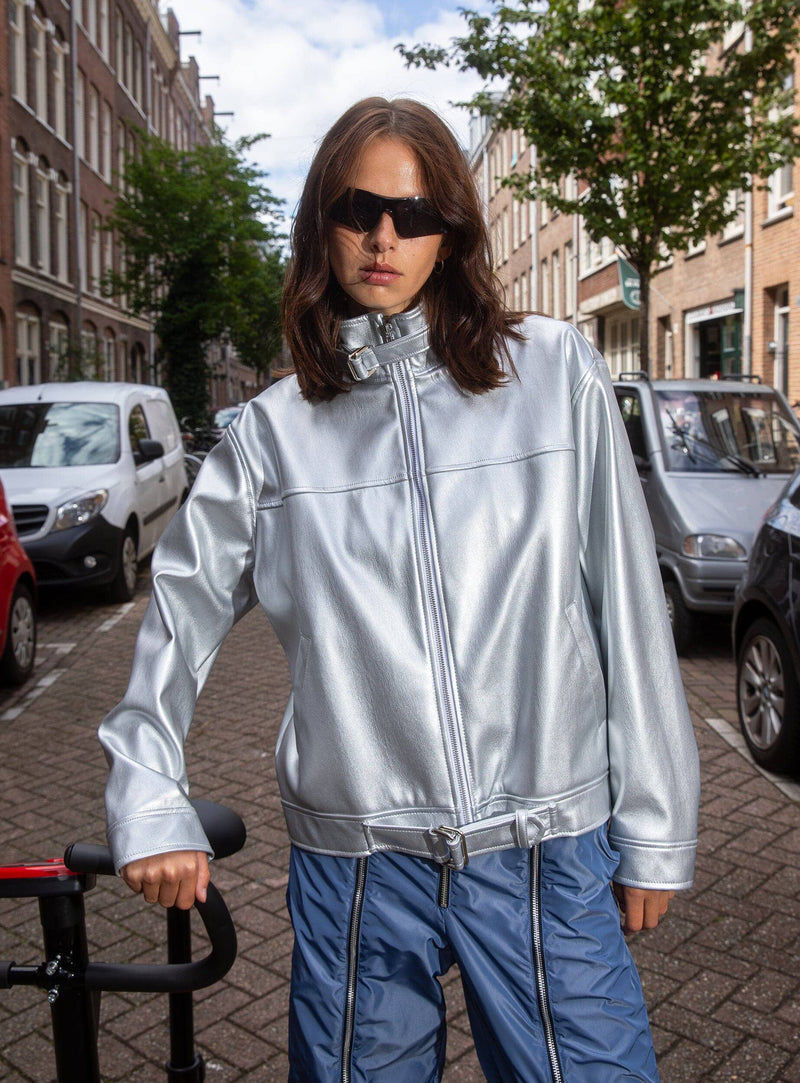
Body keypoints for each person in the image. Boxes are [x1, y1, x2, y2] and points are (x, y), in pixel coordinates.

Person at [99, 97, 700, 1082]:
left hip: (546, 850)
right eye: (358, 209)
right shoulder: (271, 436)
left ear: (448, 233)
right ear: (322, 224)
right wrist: (149, 800)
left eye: (413, 215)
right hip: (359, 872)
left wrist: (655, 824)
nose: (384, 237)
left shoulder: (554, 375)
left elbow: (627, 609)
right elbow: (175, 625)